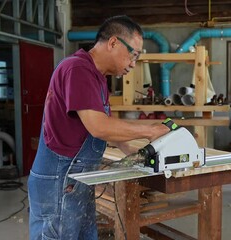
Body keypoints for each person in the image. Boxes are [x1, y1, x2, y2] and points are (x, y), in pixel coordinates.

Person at [27, 15, 170, 240]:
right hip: (59, 178)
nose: (133, 63)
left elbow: (108, 123)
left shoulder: (98, 78)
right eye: (133, 55)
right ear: (113, 43)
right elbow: (98, 126)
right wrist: (150, 130)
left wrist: (130, 152)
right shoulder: (77, 69)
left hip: (76, 179)